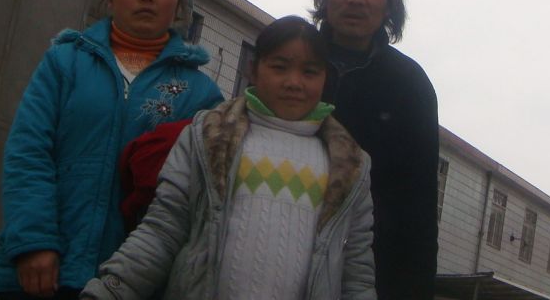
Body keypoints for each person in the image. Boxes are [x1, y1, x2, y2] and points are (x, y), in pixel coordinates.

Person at [0, 0, 224, 299]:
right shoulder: (64, 62)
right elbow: (28, 151)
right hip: (44, 273)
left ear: (178, 5)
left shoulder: (202, 95)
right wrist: (34, 242)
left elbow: (199, 198)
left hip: (135, 283)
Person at [81, 16, 376, 300]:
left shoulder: (350, 167)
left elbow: (356, 274)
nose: (294, 82)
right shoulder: (206, 138)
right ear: (253, 69)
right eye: (279, 67)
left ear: (325, 79)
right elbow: (162, 231)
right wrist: (110, 290)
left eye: (309, 72)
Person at [312, 0, 439, 300]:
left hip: (371, 270)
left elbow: (419, 208)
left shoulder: (410, 85)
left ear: (389, 4)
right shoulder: (293, 61)